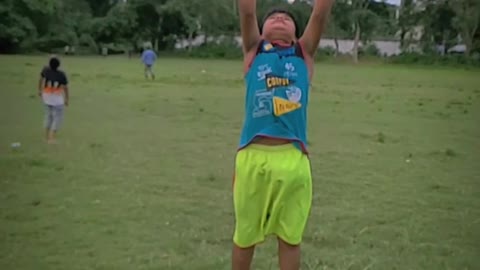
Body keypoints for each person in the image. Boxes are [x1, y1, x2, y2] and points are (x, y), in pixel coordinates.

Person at [232, 1, 334, 270]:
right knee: (245, 237)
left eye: (286, 18)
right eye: (273, 17)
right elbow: (246, 10)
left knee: (290, 239)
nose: (279, 19)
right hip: (252, 157)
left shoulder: (303, 53)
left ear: (297, 31)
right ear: (262, 30)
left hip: (293, 159)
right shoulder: (254, 50)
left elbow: (321, 11)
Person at [38, 56, 69, 144]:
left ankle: (46, 136)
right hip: (56, 99)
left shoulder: (45, 70)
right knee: (57, 118)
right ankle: (51, 138)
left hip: (46, 96)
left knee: (48, 116)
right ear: (58, 65)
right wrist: (66, 99)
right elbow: (66, 88)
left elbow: (40, 79)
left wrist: (40, 90)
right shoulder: (61, 74)